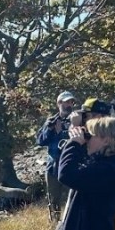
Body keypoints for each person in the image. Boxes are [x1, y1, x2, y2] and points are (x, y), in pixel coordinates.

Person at [37, 91, 78, 221]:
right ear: (59, 103)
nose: (69, 105)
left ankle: (70, 224)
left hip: (72, 165)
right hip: (53, 165)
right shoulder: (51, 121)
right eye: (66, 102)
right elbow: (40, 141)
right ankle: (54, 224)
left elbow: (78, 140)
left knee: (72, 197)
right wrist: (51, 130)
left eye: (71, 102)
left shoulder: (77, 120)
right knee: (53, 198)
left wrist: (62, 133)